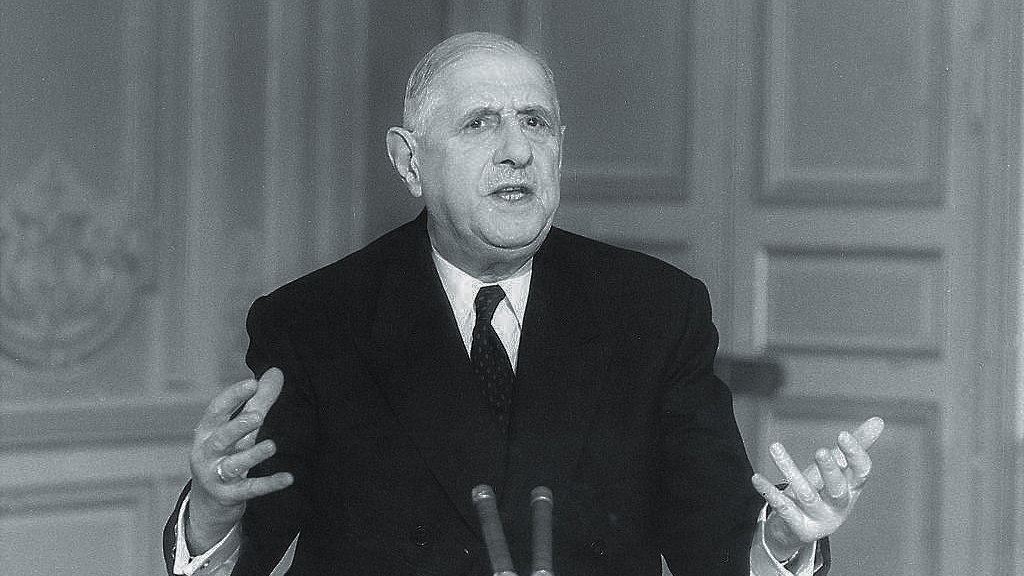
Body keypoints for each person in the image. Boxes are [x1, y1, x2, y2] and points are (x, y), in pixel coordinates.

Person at [163, 31, 884, 576]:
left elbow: (716, 550)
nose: (516, 150)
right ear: (409, 161)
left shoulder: (654, 312)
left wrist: (784, 540)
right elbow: (237, 561)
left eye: (535, 123)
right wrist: (212, 513)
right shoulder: (316, 320)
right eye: (480, 123)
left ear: (561, 151)